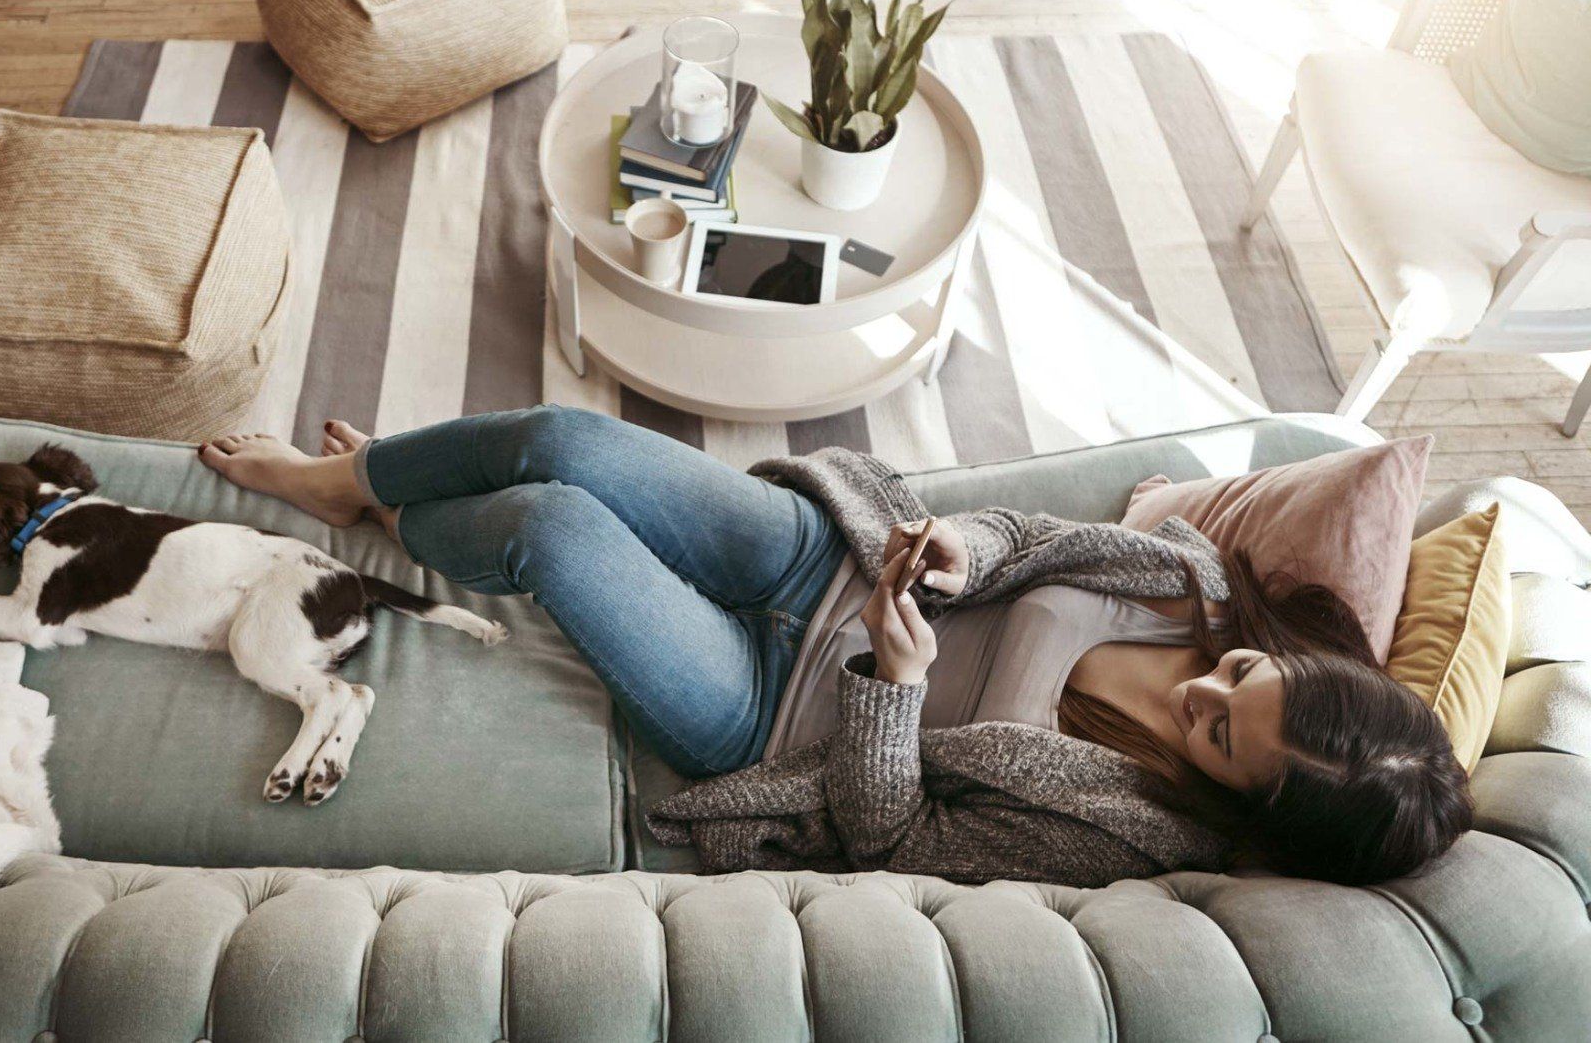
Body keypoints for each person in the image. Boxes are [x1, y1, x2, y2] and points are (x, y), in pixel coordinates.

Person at [198, 405, 1471, 887]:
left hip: (769, 710)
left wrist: (897, 687)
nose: (1207, 686)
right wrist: (968, 546)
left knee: (548, 525)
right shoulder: (1197, 582)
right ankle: (349, 480)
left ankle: (401, 514)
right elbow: (1031, 535)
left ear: (1238, 802)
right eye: (1247, 677)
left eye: (1216, 733)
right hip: (824, 560)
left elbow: (896, 836)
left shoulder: (1127, 830)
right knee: (565, 440)